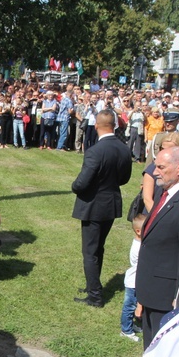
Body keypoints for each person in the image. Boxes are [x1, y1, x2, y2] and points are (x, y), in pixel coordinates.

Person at [134, 146, 179, 350]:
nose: (155, 172)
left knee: (160, 350)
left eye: (161, 167)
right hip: (151, 290)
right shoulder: (165, 196)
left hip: (166, 297)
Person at [72, 110, 133, 307]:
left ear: (96, 126)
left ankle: (95, 296)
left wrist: (75, 186)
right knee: (98, 248)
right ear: (114, 125)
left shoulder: (95, 151)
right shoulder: (123, 149)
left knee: (90, 251)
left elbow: (82, 183)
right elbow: (124, 179)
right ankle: (93, 286)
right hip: (110, 203)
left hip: (93, 205)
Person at [120, 214, 145, 342]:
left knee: (133, 305)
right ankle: (126, 330)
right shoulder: (138, 247)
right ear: (138, 231)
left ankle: (130, 325)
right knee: (129, 307)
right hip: (133, 282)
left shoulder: (140, 243)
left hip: (136, 280)